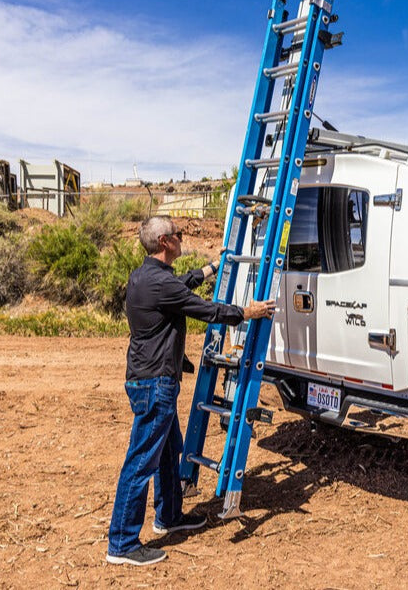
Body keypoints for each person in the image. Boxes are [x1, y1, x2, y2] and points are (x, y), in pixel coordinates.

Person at [106, 215, 276, 567]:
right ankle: (121, 543)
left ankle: (168, 516)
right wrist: (247, 312)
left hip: (149, 379)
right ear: (166, 242)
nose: (183, 238)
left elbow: (183, 283)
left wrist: (213, 267)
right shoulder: (160, 284)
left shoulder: (146, 276)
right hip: (155, 384)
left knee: (169, 454)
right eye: (179, 234)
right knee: (141, 462)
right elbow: (206, 309)